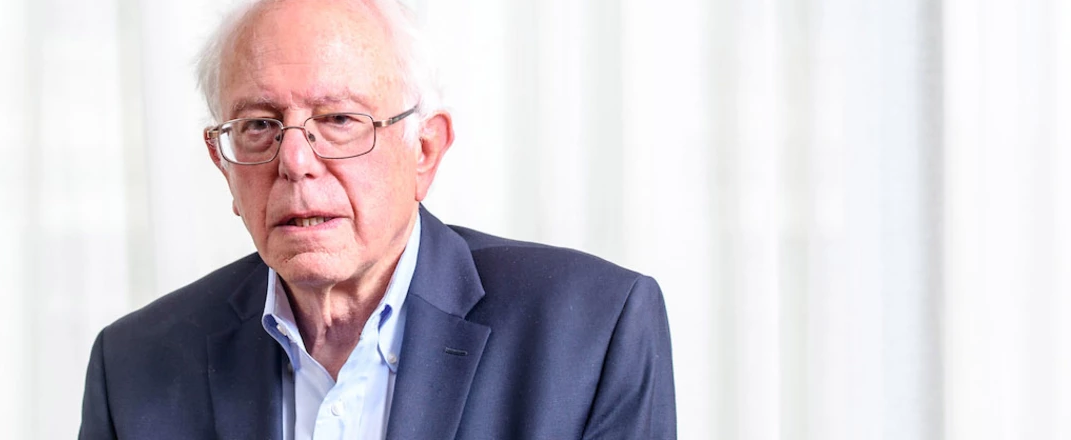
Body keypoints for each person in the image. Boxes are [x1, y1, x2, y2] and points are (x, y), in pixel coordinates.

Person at [79, 0, 675, 438]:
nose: (294, 161)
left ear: (425, 150)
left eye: (338, 119)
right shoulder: (134, 366)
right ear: (223, 164)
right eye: (259, 125)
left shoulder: (593, 330)